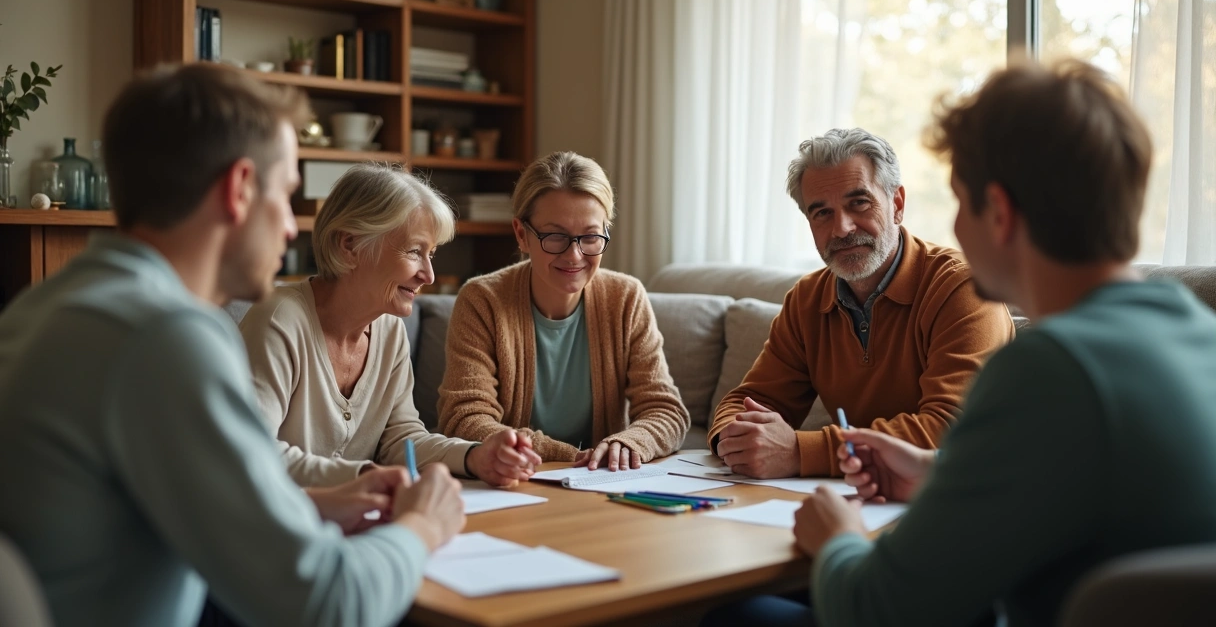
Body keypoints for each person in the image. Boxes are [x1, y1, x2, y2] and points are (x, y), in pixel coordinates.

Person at [0, 64, 465, 627]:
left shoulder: (45, 307)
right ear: (240, 189)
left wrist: (317, 503)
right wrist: (423, 526)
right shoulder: (166, 337)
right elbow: (325, 605)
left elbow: (154, 510)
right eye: (287, 193)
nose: (293, 230)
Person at [793, 59, 1216, 626]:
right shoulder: (1194, 329)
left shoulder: (1048, 370)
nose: (957, 229)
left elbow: (875, 609)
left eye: (962, 203)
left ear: (1001, 213)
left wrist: (838, 535)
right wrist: (940, 471)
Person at [708, 128, 1015, 479]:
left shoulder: (964, 289)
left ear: (897, 204)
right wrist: (736, 440)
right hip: (862, 493)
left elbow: (949, 429)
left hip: (966, 493)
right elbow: (746, 402)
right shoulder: (807, 300)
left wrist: (800, 452)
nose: (841, 228)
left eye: (859, 203)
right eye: (821, 213)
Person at [239, 163, 542, 488]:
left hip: (356, 518)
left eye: (431, 254)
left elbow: (401, 440)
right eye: (414, 251)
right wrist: (364, 476)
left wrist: (474, 456)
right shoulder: (279, 320)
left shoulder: (389, 329)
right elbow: (251, 450)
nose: (429, 275)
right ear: (350, 246)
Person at [439, 151, 690, 471]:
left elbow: (666, 410)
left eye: (589, 237)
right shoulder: (483, 301)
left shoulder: (626, 299)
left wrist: (628, 443)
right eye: (556, 236)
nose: (574, 255)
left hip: (601, 483)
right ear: (522, 234)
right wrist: (568, 455)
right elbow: (463, 417)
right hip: (516, 481)